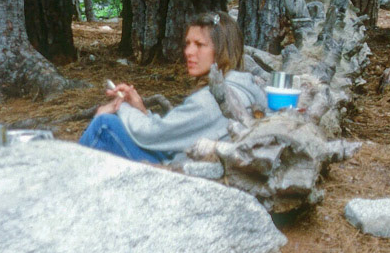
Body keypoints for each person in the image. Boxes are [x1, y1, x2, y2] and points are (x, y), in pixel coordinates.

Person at [78, 11, 264, 163]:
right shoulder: (244, 87)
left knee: (104, 126)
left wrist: (119, 110)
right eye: (188, 44)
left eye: (199, 45)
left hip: (180, 174)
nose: (188, 52)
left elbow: (153, 135)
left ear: (222, 51)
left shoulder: (211, 100)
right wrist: (142, 111)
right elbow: (173, 135)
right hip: (196, 162)